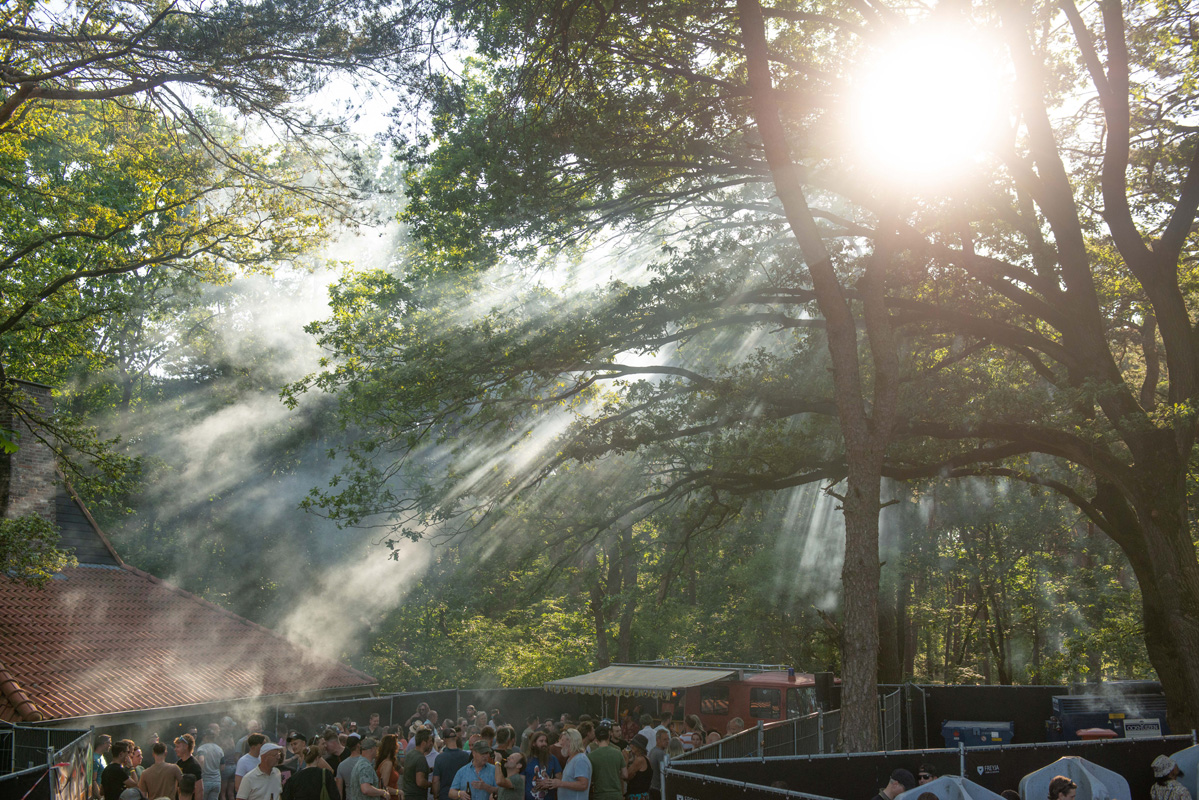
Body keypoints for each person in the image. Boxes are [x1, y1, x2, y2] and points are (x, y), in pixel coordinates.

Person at [536, 730, 589, 800]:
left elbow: (583, 784)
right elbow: (567, 781)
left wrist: (560, 783)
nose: (560, 743)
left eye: (562, 740)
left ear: (571, 741)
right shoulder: (571, 759)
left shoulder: (580, 760)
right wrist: (551, 782)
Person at [433, 729, 471, 800]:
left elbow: (436, 781)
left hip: (445, 795)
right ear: (456, 738)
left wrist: (435, 796)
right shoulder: (465, 756)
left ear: (444, 739)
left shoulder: (440, 758)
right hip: (462, 795)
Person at [521, 730, 561, 800]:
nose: (544, 744)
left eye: (546, 741)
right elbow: (522, 785)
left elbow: (560, 780)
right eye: (541, 741)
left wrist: (549, 783)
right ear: (533, 743)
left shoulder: (552, 759)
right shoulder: (526, 760)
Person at [586, 727, 623, 800]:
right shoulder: (618, 752)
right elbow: (625, 774)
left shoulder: (590, 756)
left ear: (596, 738)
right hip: (616, 794)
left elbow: (589, 776)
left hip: (599, 794)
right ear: (609, 736)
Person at [402, 730, 433, 800]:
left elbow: (413, 771)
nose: (431, 743)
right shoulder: (421, 758)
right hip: (417, 796)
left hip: (407, 795)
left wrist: (431, 769)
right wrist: (431, 784)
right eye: (430, 741)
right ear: (423, 743)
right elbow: (420, 782)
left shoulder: (409, 754)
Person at [197, 729, 225, 800]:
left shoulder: (202, 749)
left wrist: (200, 771)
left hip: (205, 780)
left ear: (205, 737)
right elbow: (222, 767)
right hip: (216, 781)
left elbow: (201, 760)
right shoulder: (219, 749)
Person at [623, 734, 651, 800]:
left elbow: (626, 775)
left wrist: (626, 759)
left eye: (633, 744)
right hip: (644, 795)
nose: (631, 746)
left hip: (636, 796)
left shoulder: (640, 760)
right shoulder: (646, 759)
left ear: (638, 747)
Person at [374, 734, 401, 800]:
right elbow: (383, 787)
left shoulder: (385, 761)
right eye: (396, 744)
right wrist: (398, 792)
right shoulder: (388, 764)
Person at [177, 735, 205, 800]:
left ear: (186, 747)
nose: (175, 749)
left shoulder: (194, 766)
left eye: (178, 747)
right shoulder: (179, 763)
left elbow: (199, 790)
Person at [647, 730, 669, 800]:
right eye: (664, 739)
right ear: (658, 740)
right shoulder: (660, 753)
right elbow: (665, 773)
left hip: (652, 787)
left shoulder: (652, 750)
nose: (667, 741)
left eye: (668, 739)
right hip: (658, 789)